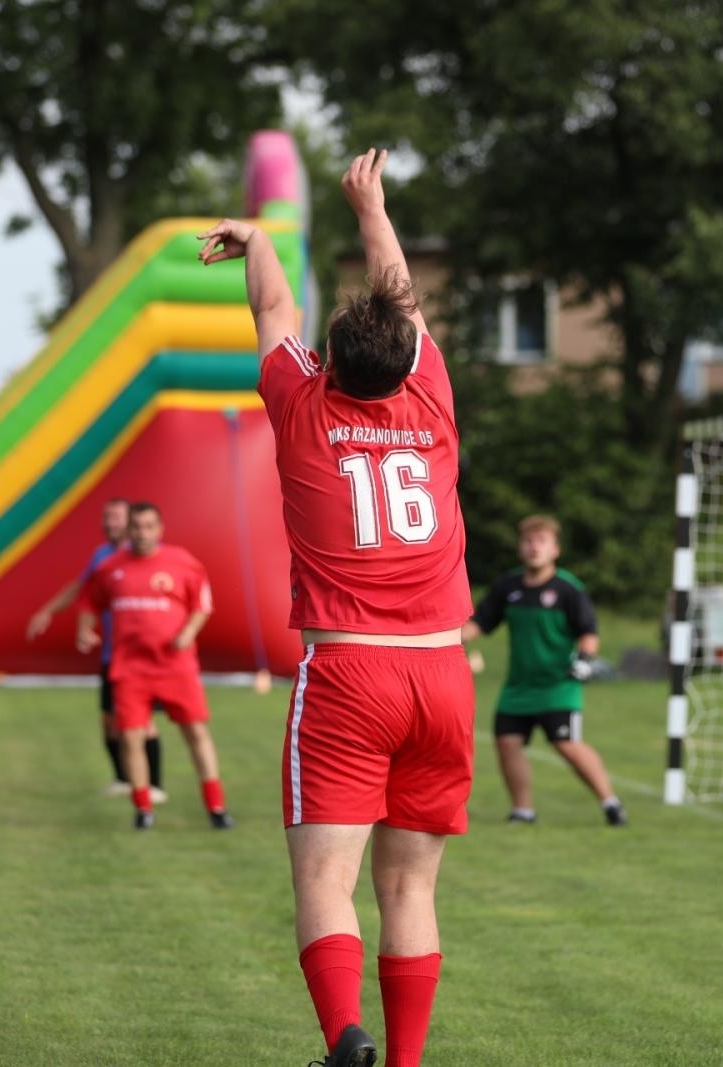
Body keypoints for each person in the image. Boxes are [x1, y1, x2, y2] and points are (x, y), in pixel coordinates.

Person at [199, 147, 475, 1067]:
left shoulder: (302, 404)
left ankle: (342, 1041)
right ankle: (402, 1063)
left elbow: (274, 307)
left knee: (325, 875)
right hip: (443, 671)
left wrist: (258, 239)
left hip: (351, 669)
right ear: (407, 358)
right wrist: (372, 206)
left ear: (332, 360)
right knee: (411, 888)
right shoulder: (429, 403)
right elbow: (401, 294)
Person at [462, 515, 627, 827]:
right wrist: (447, 638)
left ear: (555, 549)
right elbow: (480, 624)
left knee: (566, 745)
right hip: (518, 687)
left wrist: (583, 659)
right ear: (519, 548)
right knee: (507, 743)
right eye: (527, 541)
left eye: (541, 542)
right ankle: (523, 811)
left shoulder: (567, 589)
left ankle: (611, 803)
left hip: (558, 686)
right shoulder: (508, 586)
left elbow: (589, 632)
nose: (533, 547)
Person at [76, 502, 232, 831]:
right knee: (131, 738)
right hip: (130, 668)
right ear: (127, 530)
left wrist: (187, 632)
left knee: (196, 732)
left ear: (159, 530)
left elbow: (202, 605)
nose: (142, 533)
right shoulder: (111, 567)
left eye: (149, 527)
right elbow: (89, 600)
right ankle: (143, 809)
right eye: (136, 527)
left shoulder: (183, 563)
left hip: (176, 665)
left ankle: (216, 807)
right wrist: (84, 629)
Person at [27, 497, 166, 804]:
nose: (110, 524)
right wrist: (49, 612)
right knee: (109, 720)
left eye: (116, 518)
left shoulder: (144, 557)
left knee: (143, 721)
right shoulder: (102, 555)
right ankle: (123, 778)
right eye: (106, 518)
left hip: (141, 657)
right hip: (111, 654)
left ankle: (154, 785)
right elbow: (83, 590)